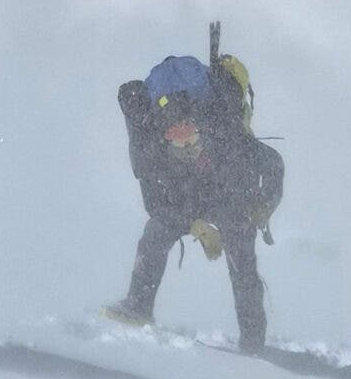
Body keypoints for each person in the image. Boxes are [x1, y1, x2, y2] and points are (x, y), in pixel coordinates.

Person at [103, 44, 283, 351]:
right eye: (175, 137)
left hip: (227, 196)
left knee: (241, 255)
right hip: (179, 200)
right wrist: (196, 224)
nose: (185, 141)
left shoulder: (228, 138)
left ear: (202, 125)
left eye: (191, 134)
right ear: (163, 134)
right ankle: (138, 306)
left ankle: (253, 342)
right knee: (155, 235)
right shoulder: (149, 148)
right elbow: (156, 205)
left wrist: (262, 206)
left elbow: (273, 164)